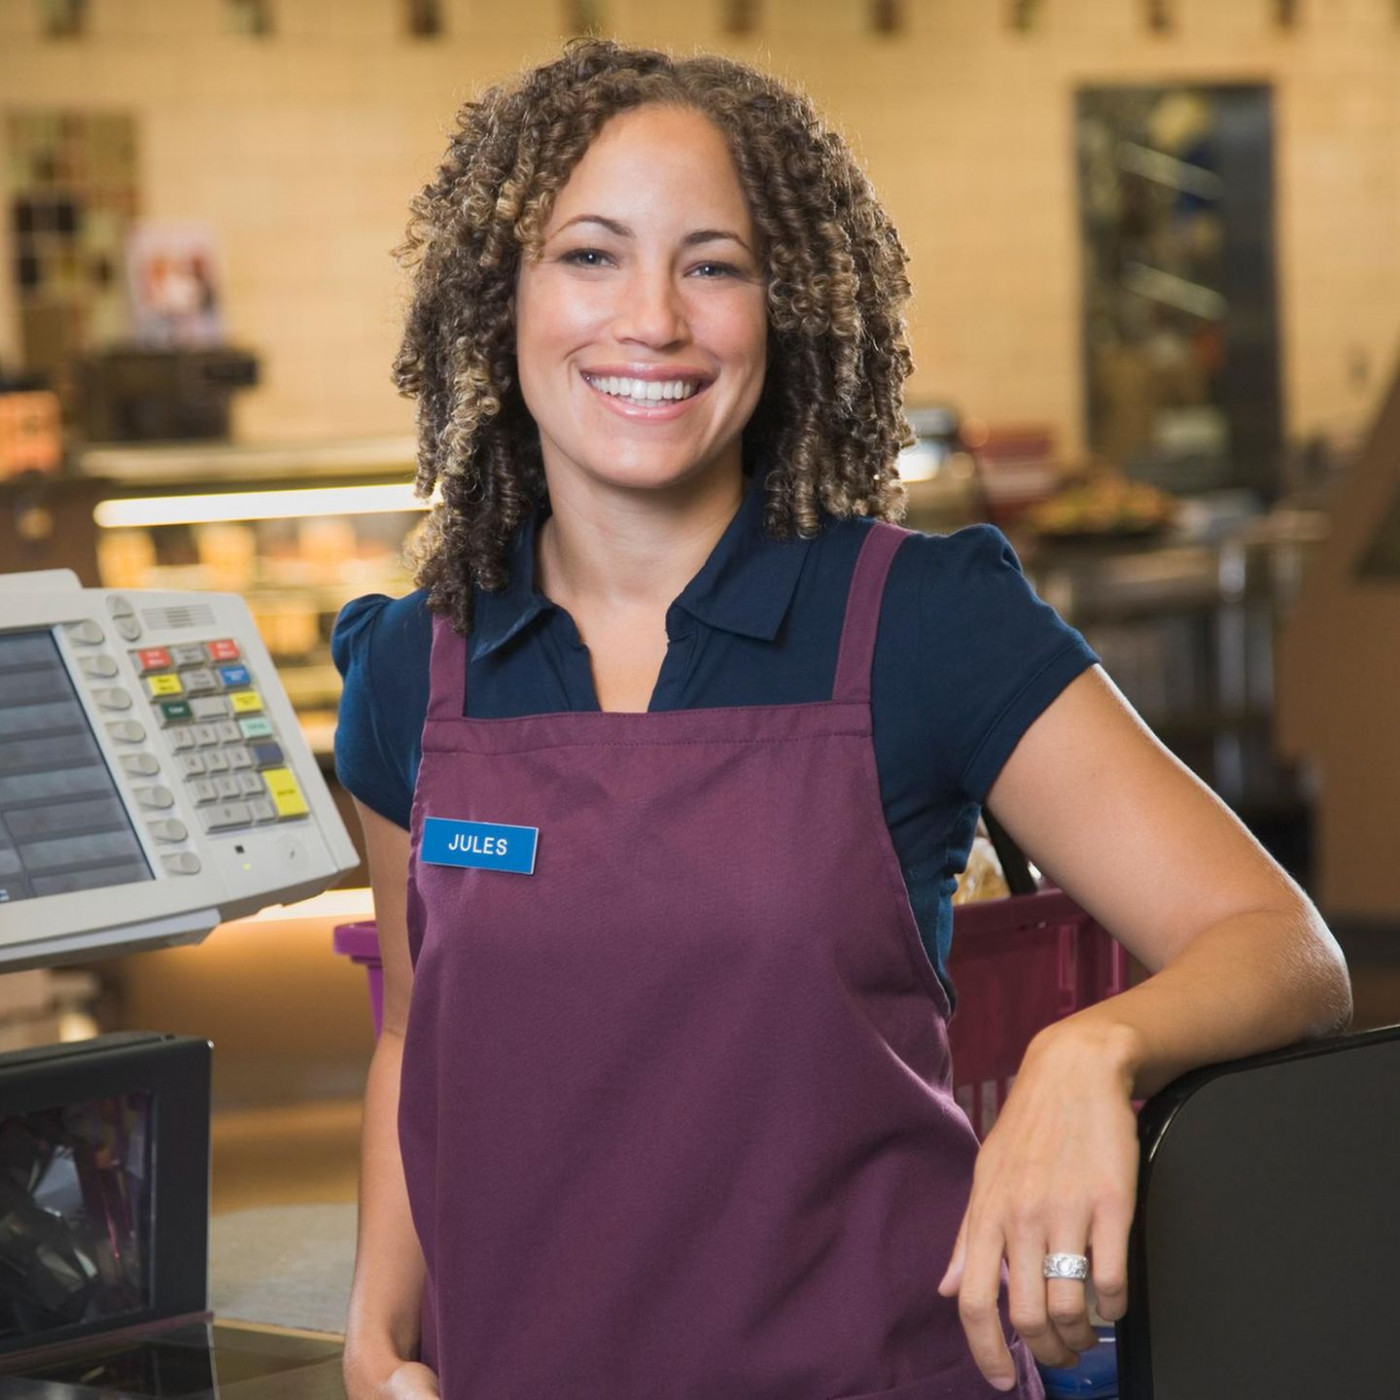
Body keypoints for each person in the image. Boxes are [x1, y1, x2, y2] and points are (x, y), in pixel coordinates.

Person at [333, 39, 1352, 1400]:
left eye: (715, 264)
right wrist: (375, 1332)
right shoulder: (415, 671)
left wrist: (1088, 1051)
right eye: (589, 255)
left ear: (788, 308)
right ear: (493, 299)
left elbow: (1281, 944)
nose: (652, 318)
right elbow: (417, 1025)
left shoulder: (925, 625)